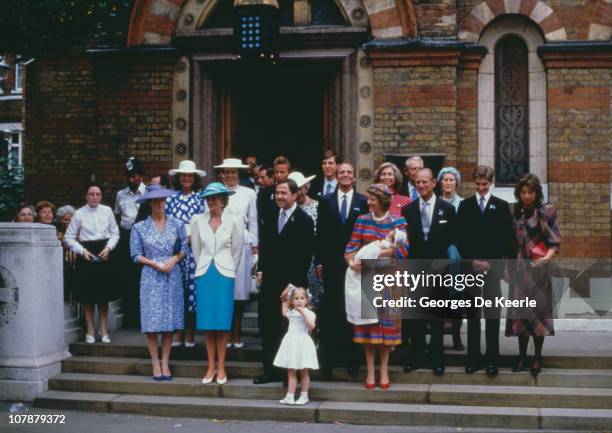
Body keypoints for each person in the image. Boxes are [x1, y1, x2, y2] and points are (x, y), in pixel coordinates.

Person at [345, 184, 409, 389]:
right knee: (369, 326)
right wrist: (352, 261)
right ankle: (371, 370)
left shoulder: (398, 221)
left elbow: (403, 251)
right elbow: (351, 247)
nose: (368, 202)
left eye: (372, 199)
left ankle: (384, 370)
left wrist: (376, 254)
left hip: (390, 281)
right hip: (367, 279)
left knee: (387, 326)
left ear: (382, 201)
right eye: (368, 198)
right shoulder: (362, 220)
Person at [254, 179, 315, 384]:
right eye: (277, 193)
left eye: (284, 193)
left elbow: (305, 256)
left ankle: (288, 376)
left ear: (295, 195)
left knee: (288, 329)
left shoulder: (305, 220)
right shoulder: (270, 215)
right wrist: (260, 268)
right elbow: (265, 245)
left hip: (292, 285)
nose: (279, 197)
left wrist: (293, 285)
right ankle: (269, 371)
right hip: (270, 280)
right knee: (269, 326)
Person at [456, 165, 515, 376]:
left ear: (491, 183)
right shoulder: (465, 206)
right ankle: (473, 358)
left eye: (485, 184)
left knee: (491, 315)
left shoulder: (501, 206)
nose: (481, 188)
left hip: (492, 269)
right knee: (472, 315)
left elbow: (507, 239)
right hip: (471, 268)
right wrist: (472, 261)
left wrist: (490, 263)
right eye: (478, 184)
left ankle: (492, 359)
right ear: (474, 183)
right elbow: (459, 237)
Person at [315, 162, 368, 379]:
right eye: (341, 173)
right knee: (331, 311)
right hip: (331, 265)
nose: (345, 175)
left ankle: (352, 360)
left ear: (354, 177)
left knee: (353, 311)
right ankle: (329, 360)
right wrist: (319, 262)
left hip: (355, 265)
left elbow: (365, 235)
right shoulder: (325, 201)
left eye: (349, 172)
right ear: (336, 177)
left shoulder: (363, 201)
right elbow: (321, 235)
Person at [401, 169, 456, 375]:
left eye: (425, 182)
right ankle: (416, 357)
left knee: (436, 317)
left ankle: (436, 358)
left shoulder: (447, 209)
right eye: (417, 182)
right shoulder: (408, 210)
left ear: (434, 183)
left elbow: (451, 239)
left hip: (439, 268)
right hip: (415, 267)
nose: (421, 186)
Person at [130, 184, 187, 381]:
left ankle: (165, 361)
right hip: (151, 275)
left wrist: (174, 259)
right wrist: (153, 263)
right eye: (155, 201)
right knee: (152, 320)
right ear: (149, 203)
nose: (159, 204)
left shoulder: (177, 224)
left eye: (162, 200)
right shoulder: (139, 227)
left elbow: (184, 248)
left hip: (172, 274)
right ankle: (155, 361)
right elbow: (135, 254)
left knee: (169, 320)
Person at [506, 173, 560, 376]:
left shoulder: (547, 211)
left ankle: (537, 357)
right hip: (519, 270)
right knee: (521, 316)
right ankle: (521, 357)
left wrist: (546, 258)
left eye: (530, 192)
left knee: (538, 316)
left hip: (539, 269)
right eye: (523, 192)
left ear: (537, 193)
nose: (526, 196)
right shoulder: (512, 211)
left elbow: (555, 242)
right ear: (518, 194)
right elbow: (508, 241)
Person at [192, 182, 244, 385]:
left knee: (222, 324)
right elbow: (197, 250)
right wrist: (203, 267)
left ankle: (221, 366)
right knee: (207, 323)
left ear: (223, 199)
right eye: (209, 198)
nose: (212, 202)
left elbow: (237, 250)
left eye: (215, 198)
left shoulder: (235, 220)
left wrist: (229, 268)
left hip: (225, 274)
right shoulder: (198, 220)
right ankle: (210, 366)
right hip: (205, 273)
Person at [65, 183, 120, 344]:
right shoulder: (79, 214)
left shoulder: (107, 211)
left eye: (97, 194)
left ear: (101, 196)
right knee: (88, 296)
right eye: (91, 194)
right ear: (86, 196)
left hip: (104, 252)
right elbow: (69, 238)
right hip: (87, 254)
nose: (94, 197)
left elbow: (115, 233)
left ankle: (103, 330)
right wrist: (82, 251)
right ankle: (90, 329)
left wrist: (109, 248)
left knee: (103, 295)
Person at [216, 158, 259, 349]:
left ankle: (236, 334)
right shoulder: (216, 192)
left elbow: (253, 220)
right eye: (227, 172)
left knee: (239, 292)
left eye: (234, 172)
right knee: (224, 291)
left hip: (242, 244)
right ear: (222, 174)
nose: (231, 176)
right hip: (221, 245)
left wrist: (255, 245)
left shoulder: (249, 193)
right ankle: (224, 334)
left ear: (238, 174)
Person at [166, 160, 207, 348]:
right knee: (176, 291)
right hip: (175, 251)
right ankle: (177, 333)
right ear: (178, 178)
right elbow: (166, 223)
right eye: (183, 176)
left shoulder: (201, 199)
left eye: (190, 176)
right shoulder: (170, 199)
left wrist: (196, 236)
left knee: (192, 292)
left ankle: (190, 333)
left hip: (194, 252)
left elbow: (205, 224)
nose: (187, 179)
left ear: (195, 178)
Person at [114, 157, 146, 328]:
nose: (132, 179)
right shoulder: (121, 194)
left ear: (141, 176)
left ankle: (142, 318)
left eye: (135, 175)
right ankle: (130, 318)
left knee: (142, 278)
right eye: (129, 176)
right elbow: (118, 216)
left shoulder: (148, 193)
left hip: (144, 238)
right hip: (126, 237)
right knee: (127, 277)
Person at [274, 285, 318, 405]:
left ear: (306, 300)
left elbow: (312, 326)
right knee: (291, 370)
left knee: (304, 371)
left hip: (303, 343)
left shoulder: (309, 313)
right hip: (291, 342)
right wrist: (288, 291)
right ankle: (290, 395)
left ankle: (304, 395)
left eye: (302, 298)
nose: (299, 300)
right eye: (296, 298)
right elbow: (284, 311)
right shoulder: (291, 312)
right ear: (292, 301)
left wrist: (303, 312)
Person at [437, 166, 464, 350]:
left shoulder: (463, 204)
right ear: (439, 183)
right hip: (437, 252)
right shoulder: (434, 203)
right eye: (445, 179)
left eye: (451, 180)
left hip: (456, 254)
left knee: (457, 296)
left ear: (456, 183)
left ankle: (456, 337)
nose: (448, 183)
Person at [288, 171, 323, 310]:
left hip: (313, 261)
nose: (298, 193)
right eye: (295, 190)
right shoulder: (287, 209)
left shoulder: (318, 207)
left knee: (313, 300)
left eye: (300, 188)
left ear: (306, 188)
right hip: (293, 260)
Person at [55, 205, 77, 302]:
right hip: (62, 268)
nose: (69, 222)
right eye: (66, 220)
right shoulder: (57, 233)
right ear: (60, 221)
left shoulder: (80, 233)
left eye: (71, 219)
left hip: (77, 267)